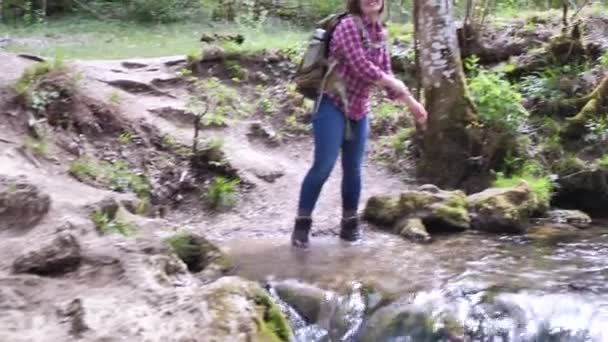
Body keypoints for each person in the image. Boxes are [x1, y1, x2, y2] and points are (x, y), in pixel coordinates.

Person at [291, 0, 428, 248]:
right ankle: (302, 225)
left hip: (359, 109)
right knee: (324, 165)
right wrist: (397, 88)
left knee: (353, 169)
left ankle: (349, 225)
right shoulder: (347, 26)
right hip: (331, 104)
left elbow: (386, 73)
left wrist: (412, 104)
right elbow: (363, 67)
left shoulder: (380, 31)